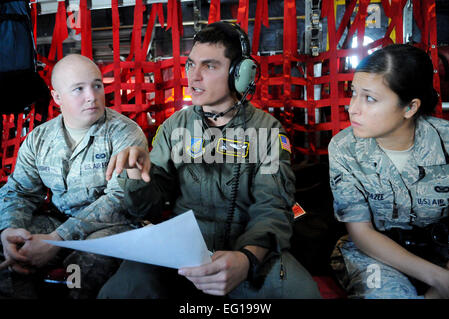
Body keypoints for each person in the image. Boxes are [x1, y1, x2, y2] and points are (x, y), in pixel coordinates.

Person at [97, 22, 321, 299]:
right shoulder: (174, 127)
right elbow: (150, 206)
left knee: (301, 292)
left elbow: (273, 207)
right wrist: (135, 176)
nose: (194, 77)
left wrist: (247, 259)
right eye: (191, 65)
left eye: (210, 66)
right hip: (183, 250)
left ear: (240, 74)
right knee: (124, 288)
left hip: (247, 248)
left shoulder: (268, 131)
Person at [0, 54, 148, 298]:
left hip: (111, 225)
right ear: (57, 97)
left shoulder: (124, 133)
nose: (92, 96)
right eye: (78, 89)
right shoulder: (39, 139)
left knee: (87, 262)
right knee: (12, 247)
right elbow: (19, 191)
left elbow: (120, 199)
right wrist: (10, 230)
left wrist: (57, 240)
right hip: (58, 220)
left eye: (97, 85)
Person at [328, 44, 449, 299]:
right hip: (377, 254)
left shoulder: (447, 143)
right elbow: (361, 233)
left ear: (410, 107)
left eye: (369, 98)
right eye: (353, 94)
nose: (352, 108)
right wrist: (439, 280)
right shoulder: (344, 148)